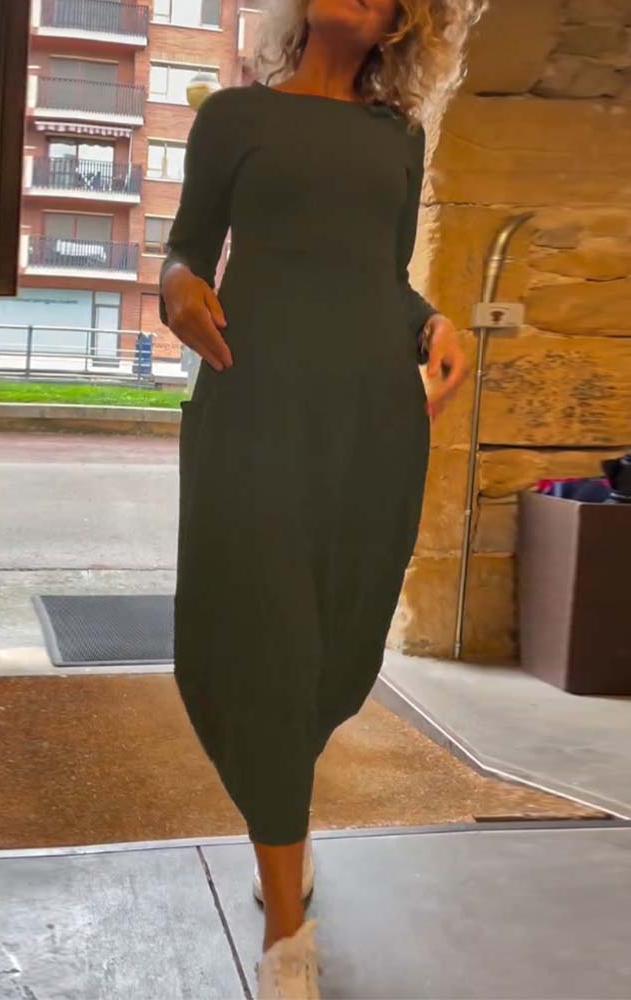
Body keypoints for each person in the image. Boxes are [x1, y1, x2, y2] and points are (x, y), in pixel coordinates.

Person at [159, 0, 484, 995]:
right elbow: (184, 247)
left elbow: (384, 280)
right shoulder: (233, 117)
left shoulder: (398, 138)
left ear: (399, 23)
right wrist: (174, 286)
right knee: (259, 644)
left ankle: (282, 836)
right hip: (254, 408)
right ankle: (285, 930)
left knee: (333, 653)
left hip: (369, 423)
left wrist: (434, 324)